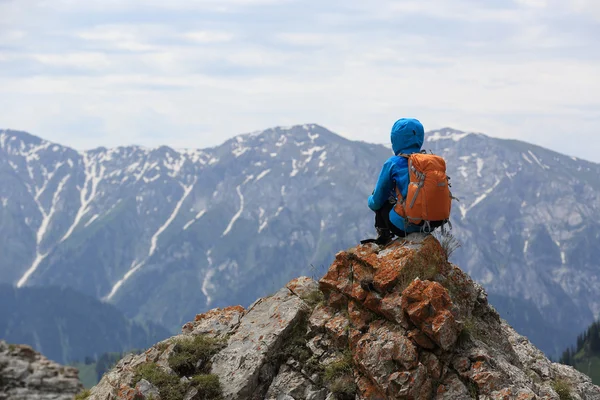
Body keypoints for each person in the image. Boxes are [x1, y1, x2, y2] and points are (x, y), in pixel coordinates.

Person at [367, 118, 425, 245]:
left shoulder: (393, 163)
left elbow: (376, 202)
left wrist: (370, 200)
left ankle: (384, 235)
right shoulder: (428, 162)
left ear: (396, 139)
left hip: (404, 226)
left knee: (381, 195)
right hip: (429, 224)